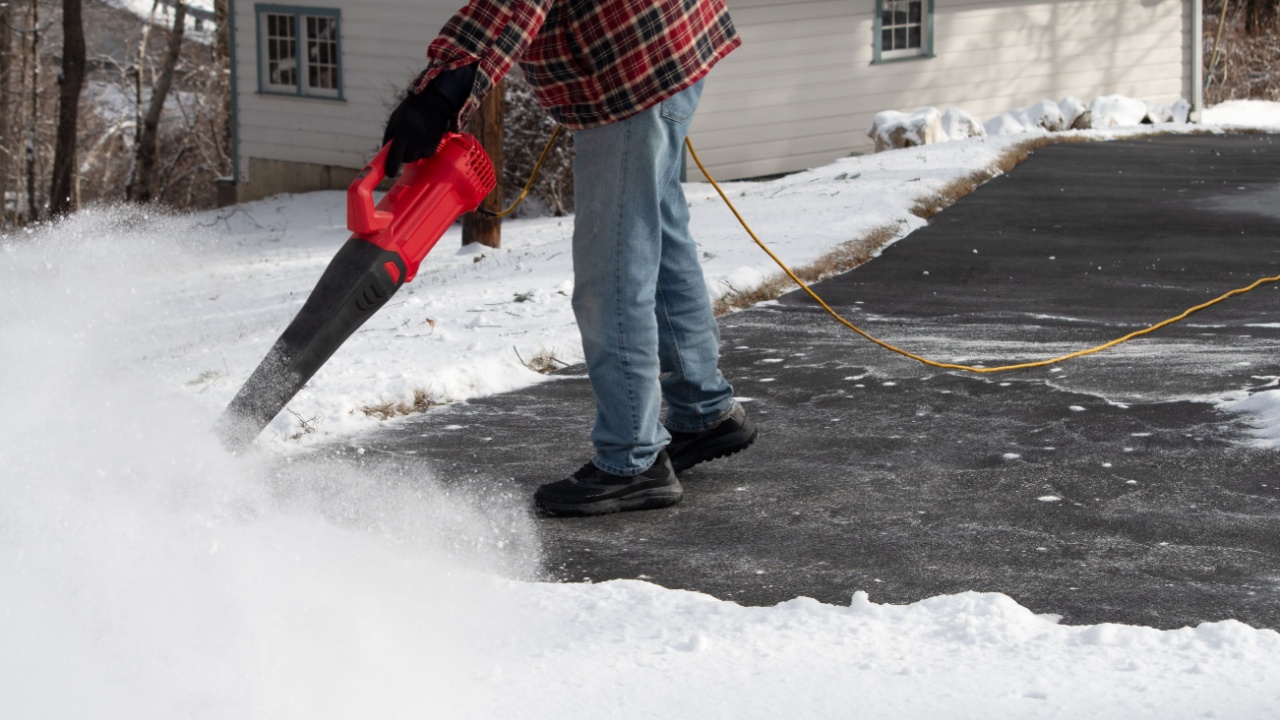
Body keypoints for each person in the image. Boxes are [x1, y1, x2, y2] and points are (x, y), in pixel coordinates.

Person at [382, 0, 756, 516]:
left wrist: (438, 95)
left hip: (630, 71)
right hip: (666, 45)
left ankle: (633, 460)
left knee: (613, 275)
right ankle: (704, 409)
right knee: (659, 234)